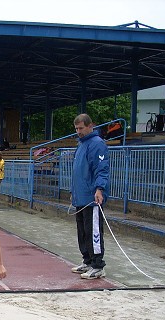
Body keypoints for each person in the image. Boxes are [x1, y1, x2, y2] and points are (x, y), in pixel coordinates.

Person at [70, 113, 110, 280]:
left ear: (90, 126)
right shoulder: (81, 145)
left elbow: (101, 169)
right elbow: (77, 171)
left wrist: (99, 189)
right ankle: (87, 260)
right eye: (76, 129)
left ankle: (97, 265)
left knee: (93, 230)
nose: (78, 131)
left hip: (92, 198)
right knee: (82, 231)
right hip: (80, 196)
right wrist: (74, 192)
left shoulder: (97, 144)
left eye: (81, 128)